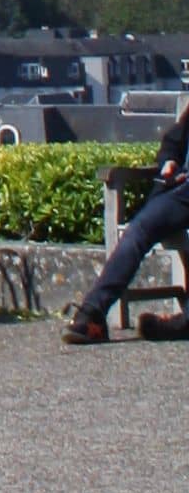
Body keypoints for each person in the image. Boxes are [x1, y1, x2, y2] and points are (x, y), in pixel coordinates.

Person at [64, 101, 189, 343]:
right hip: (182, 191)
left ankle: (182, 323)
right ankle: (92, 313)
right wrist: (169, 161)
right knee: (140, 229)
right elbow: (174, 141)